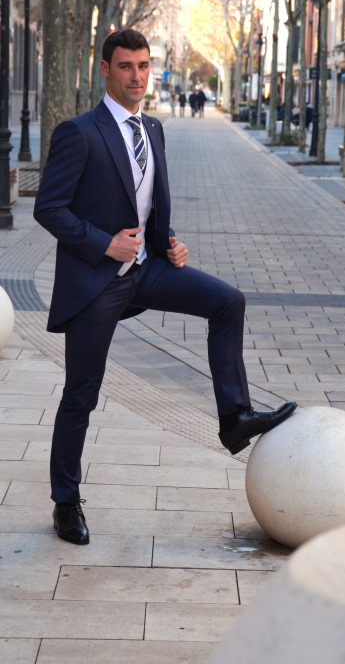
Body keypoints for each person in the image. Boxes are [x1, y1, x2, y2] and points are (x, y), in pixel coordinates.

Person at [34, 29, 296, 546]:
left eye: (143, 66)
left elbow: (147, 203)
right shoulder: (79, 132)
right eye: (125, 66)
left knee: (227, 302)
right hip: (96, 281)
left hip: (147, 268)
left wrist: (169, 242)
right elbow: (49, 208)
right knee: (81, 394)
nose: (136, 76)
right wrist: (104, 244)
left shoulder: (152, 128)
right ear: (105, 70)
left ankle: (235, 417)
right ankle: (66, 502)